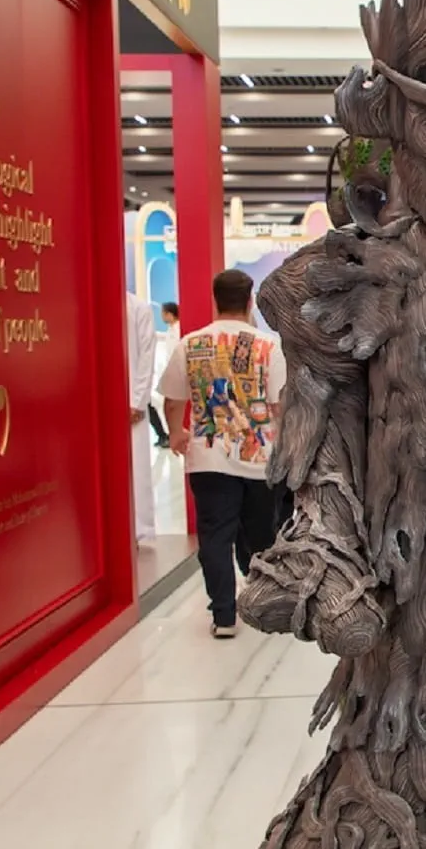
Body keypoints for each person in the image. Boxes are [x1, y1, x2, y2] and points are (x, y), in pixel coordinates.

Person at [159, 270, 288, 638]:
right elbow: (280, 404)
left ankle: (224, 615)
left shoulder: (190, 344)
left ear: (215, 300)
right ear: (250, 302)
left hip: (208, 458)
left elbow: (172, 400)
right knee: (263, 533)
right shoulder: (269, 346)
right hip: (260, 459)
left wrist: (176, 432)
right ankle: (262, 600)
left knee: (215, 537)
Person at [127, 293, 158, 544]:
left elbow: (146, 355)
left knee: (135, 464)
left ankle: (136, 529)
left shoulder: (138, 307)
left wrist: (138, 400)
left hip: (130, 402)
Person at [150, 301, 180, 447]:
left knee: (166, 405)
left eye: (163, 312)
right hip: (170, 374)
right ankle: (165, 434)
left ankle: (168, 434)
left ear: (169, 314)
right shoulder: (171, 330)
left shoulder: (178, 330)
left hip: (176, 374)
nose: (161, 315)